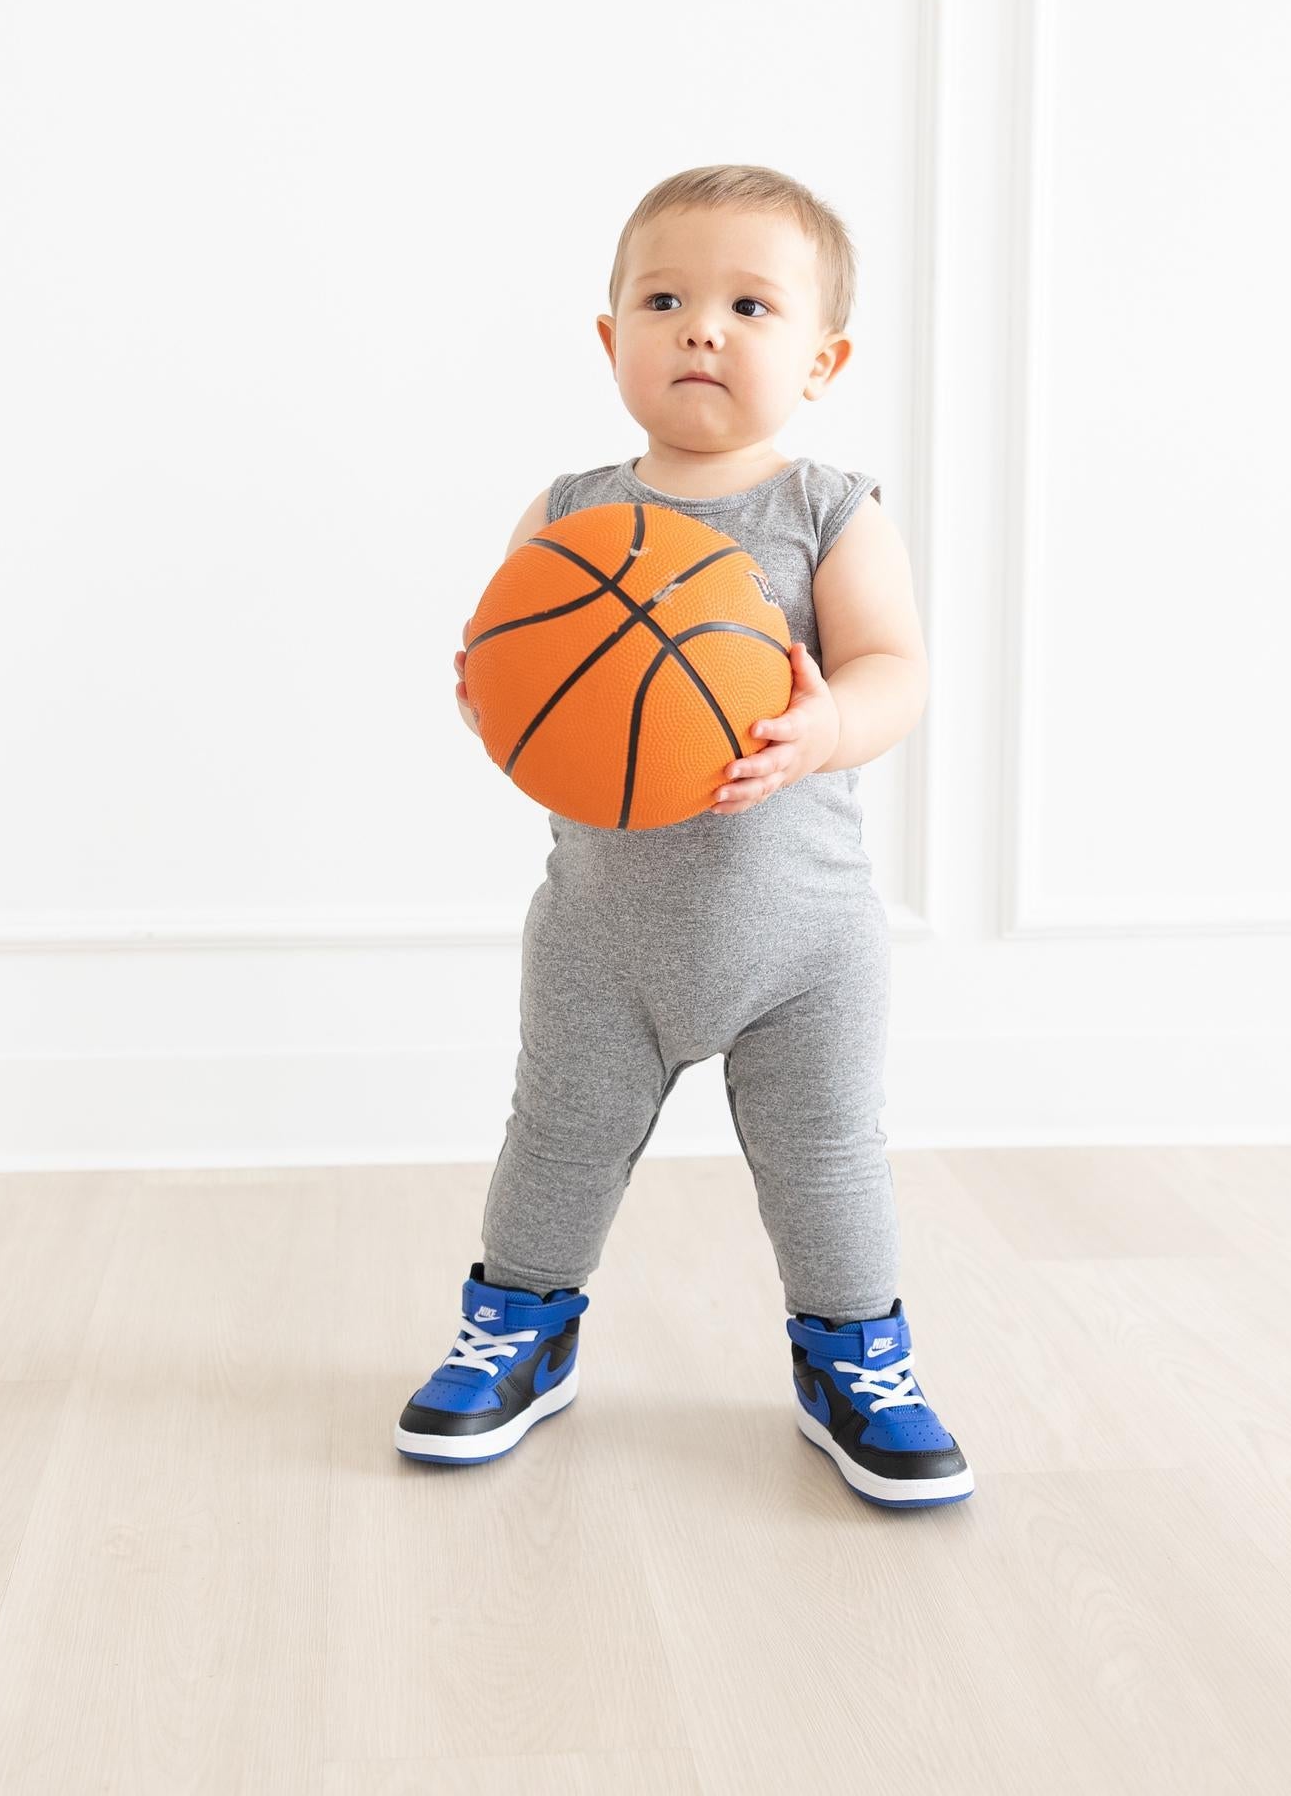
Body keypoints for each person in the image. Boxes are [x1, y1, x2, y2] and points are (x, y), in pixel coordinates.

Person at [395, 164, 974, 1509]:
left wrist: (828, 729)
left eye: (748, 305)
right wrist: (494, 688)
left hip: (802, 939)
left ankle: (852, 1355)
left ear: (821, 359)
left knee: (828, 1154)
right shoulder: (568, 514)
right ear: (612, 343)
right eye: (663, 299)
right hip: (605, 932)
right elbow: (512, 671)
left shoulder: (829, 509)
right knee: (555, 1136)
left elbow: (895, 665)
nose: (700, 327)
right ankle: (521, 1328)